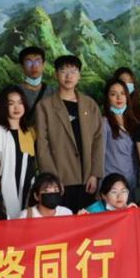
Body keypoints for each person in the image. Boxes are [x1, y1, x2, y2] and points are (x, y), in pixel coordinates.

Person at [35, 55, 104, 212]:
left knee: (87, 222)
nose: (68, 76)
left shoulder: (90, 104)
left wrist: (95, 174)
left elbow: (98, 140)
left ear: (79, 75)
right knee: (63, 222)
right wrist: (52, 180)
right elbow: (42, 145)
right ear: (56, 74)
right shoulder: (45, 106)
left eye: (73, 71)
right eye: (63, 71)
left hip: (87, 179)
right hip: (60, 180)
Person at [15, 173, 78, 278]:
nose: (52, 193)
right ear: (37, 196)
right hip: (34, 264)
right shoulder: (26, 215)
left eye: (55, 190)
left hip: (60, 261)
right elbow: (17, 247)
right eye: (47, 191)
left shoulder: (66, 213)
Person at [78, 173, 135, 278]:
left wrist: (133, 216)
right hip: (96, 258)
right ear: (103, 195)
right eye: (114, 192)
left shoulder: (131, 210)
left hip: (117, 257)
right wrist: (80, 220)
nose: (120, 196)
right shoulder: (93, 211)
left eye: (124, 191)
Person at [0, 85, 36, 219]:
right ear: (3, 107)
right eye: (11, 104)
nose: (16, 107)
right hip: (6, 185)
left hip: (27, 186)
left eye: (20, 103)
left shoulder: (29, 132)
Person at [102, 79, 139, 183]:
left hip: (131, 181)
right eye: (113, 94)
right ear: (107, 98)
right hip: (111, 182)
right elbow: (98, 155)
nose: (119, 97)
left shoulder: (133, 123)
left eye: (122, 93)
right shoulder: (104, 123)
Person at [17, 46, 53, 115]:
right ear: (22, 66)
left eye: (38, 61)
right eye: (29, 62)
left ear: (44, 65)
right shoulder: (14, 92)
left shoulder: (52, 92)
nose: (34, 66)